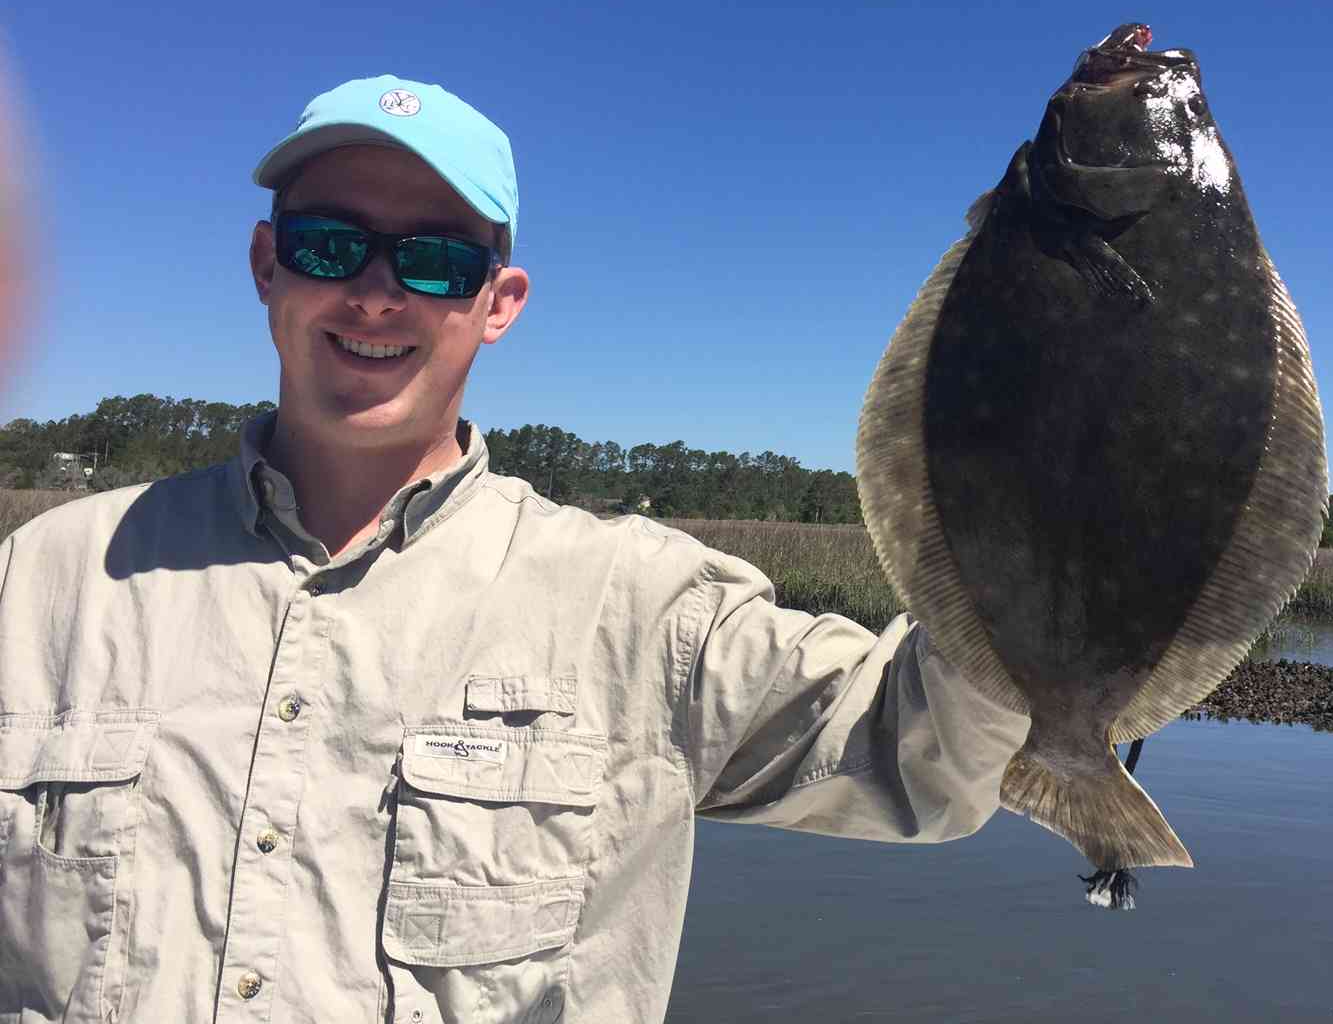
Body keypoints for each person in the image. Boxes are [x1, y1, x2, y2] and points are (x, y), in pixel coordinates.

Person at [0, 76, 1031, 1023]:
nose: (375, 291)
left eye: (436, 259)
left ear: (497, 303)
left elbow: (918, 753)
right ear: (268, 265)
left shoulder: (641, 604)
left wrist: (1069, 501)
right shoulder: (42, 579)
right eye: (329, 244)